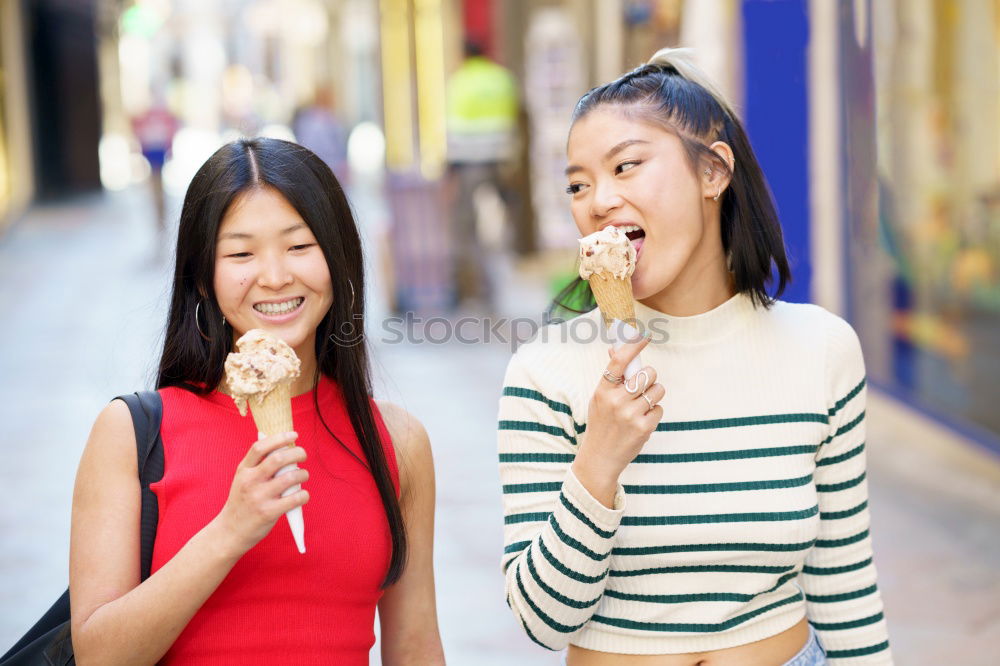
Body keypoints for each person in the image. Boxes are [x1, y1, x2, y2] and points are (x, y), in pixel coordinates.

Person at [497, 49, 892, 665]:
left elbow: (845, 584)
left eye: (625, 166)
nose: (597, 201)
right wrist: (598, 461)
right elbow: (542, 621)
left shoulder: (822, 349)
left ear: (713, 172)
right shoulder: (545, 371)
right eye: (577, 183)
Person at [68, 138, 445, 665]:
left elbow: (416, 649)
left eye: (299, 246)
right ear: (202, 276)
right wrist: (229, 531)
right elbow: (98, 657)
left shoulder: (397, 443)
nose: (274, 276)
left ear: (338, 257)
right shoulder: (130, 434)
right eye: (241, 253)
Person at [445, 39, 519, 308]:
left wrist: (449, 168)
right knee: (502, 219)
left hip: (469, 162)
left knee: (466, 228)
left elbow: (454, 125)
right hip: (500, 159)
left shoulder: (460, 80)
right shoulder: (501, 78)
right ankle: (499, 276)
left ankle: (476, 289)